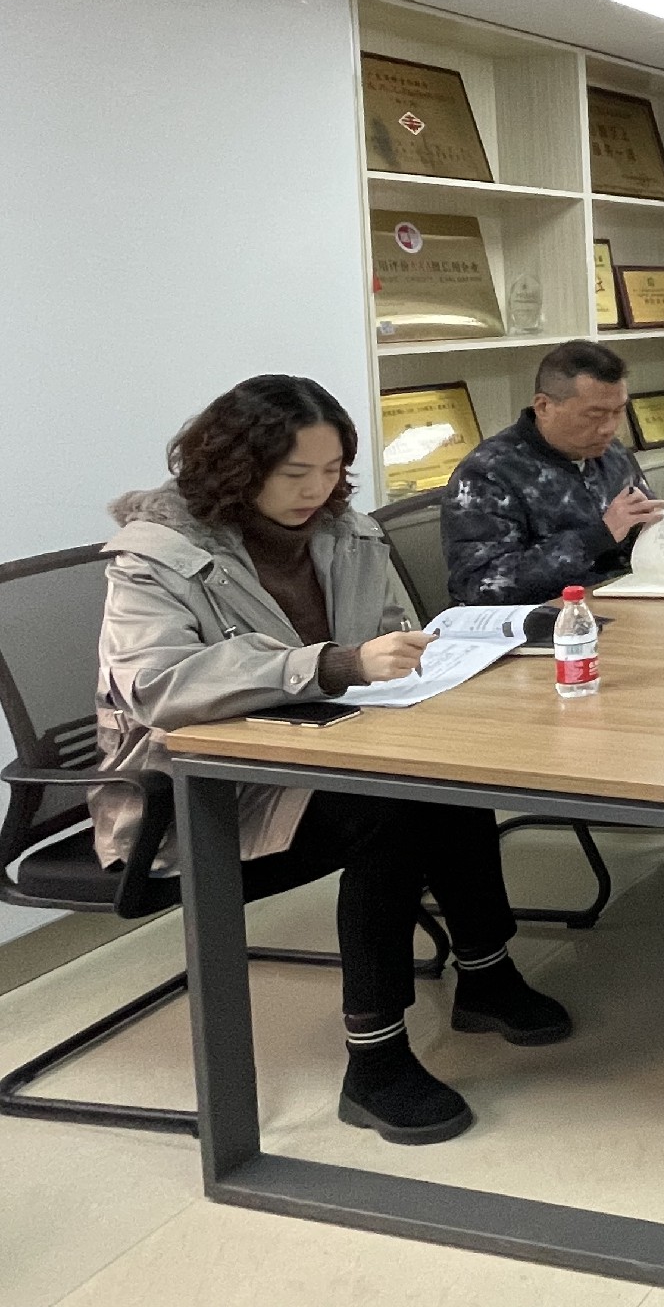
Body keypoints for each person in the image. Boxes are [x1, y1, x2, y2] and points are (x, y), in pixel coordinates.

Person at [95, 376, 570, 1145]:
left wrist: (420, 655)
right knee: (385, 809)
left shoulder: (346, 535)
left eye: (330, 471)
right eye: (295, 473)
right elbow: (159, 685)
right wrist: (332, 665)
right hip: (195, 799)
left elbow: (386, 631)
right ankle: (375, 1060)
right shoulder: (158, 557)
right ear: (237, 466)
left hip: (315, 753)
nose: (316, 491)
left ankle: (486, 973)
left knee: (446, 774)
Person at [444, 340, 664, 606]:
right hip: (549, 620)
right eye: (594, 415)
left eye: (618, 411)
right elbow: (481, 586)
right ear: (544, 407)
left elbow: (636, 526)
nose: (609, 428)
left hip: (627, 600)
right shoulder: (488, 473)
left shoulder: (612, 453)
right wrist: (597, 537)